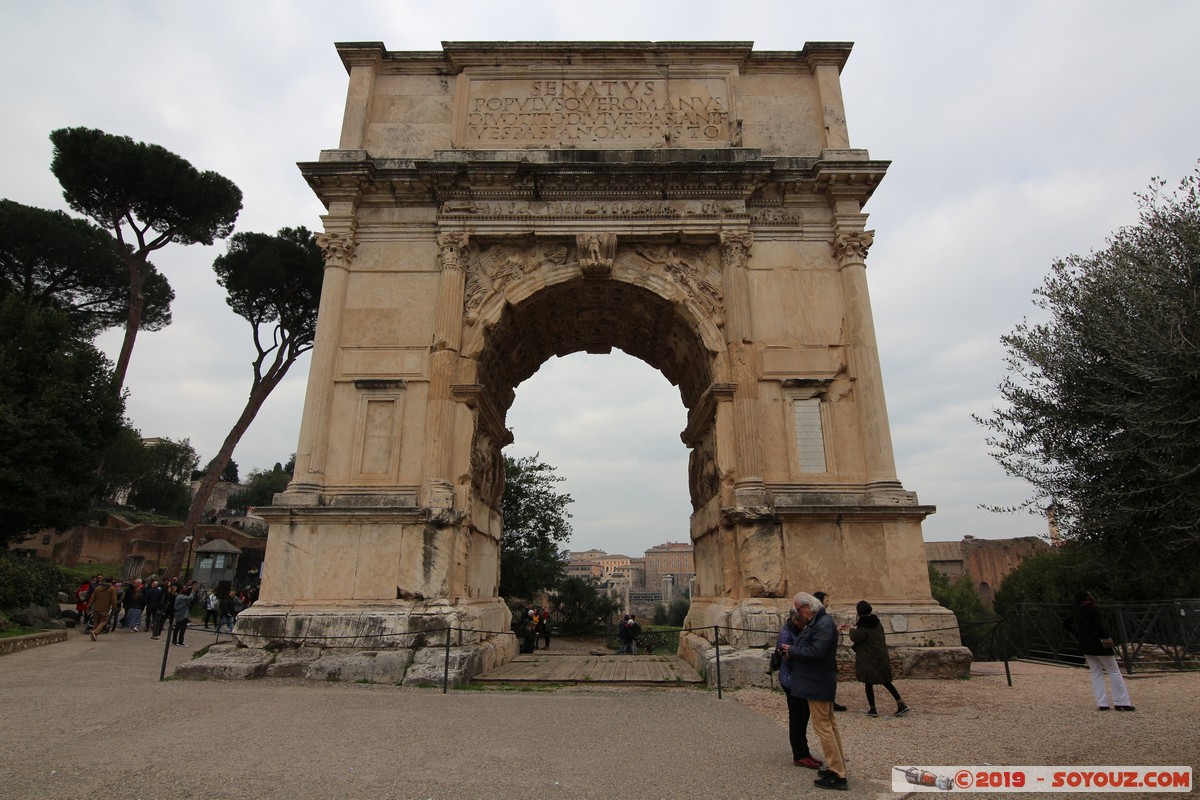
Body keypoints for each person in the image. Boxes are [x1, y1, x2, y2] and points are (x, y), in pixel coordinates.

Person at [785, 592, 849, 791]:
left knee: (823, 726)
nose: (798, 613)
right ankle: (836, 766)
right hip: (818, 681)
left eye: (798, 609)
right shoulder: (820, 622)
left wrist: (793, 651)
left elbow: (817, 652)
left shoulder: (822, 623)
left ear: (807, 607)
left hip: (817, 682)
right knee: (829, 723)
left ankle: (838, 774)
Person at [1063, 591, 1134, 711]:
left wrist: (1078, 635)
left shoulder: (1076, 611)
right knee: (1113, 671)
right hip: (1097, 642)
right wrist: (1106, 638)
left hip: (1085, 643)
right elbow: (1098, 627)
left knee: (1096, 673)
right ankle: (1121, 701)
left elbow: (1066, 624)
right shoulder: (1093, 609)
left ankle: (1102, 703)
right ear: (1087, 598)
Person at [777, 607, 822, 770]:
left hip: (799, 681)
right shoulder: (786, 634)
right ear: (795, 620)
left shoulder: (796, 630)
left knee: (803, 717)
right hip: (791, 682)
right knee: (797, 719)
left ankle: (805, 752)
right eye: (803, 621)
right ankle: (800, 755)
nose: (805, 624)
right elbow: (787, 657)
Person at [848, 600, 909, 717]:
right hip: (880, 656)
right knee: (886, 681)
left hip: (868, 658)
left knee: (868, 683)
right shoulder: (876, 622)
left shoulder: (863, 625)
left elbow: (856, 637)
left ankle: (873, 709)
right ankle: (900, 703)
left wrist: (851, 629)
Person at [813, 591, 848, 713]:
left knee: (830, 678)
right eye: (826, 600)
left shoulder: (822, 617)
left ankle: (830, 701)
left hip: (827, 654)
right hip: (825, 654)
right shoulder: (820, 617)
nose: (828, 603)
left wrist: (836, 629)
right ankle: (826, 701)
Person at [85, 577, 118, 642]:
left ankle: (93, 636)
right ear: (111, 582)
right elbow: (114, 600)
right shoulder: (112, 588)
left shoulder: (97, 588)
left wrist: (88, 607)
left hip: (96, 608)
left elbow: (92, 599)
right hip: (105, 608)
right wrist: (114, 608)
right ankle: (96, 632)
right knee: (104, 621)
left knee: (96, 621)